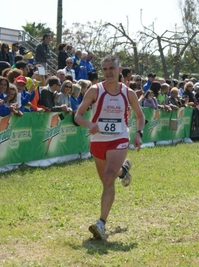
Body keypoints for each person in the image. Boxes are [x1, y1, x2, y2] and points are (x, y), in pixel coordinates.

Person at [74, 54, 145, 240]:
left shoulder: (127, 93)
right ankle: (123, 171)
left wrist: (138, 133)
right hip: (98, 139)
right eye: (104, 69)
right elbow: (78, 115)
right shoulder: (94, 90)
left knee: (107, 177)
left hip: (119, 138)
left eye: (111, 68)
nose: (108, 72)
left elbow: (140, 116)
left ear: (119, 69)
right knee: (107, 179)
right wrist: (90, 125)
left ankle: (101, 223)